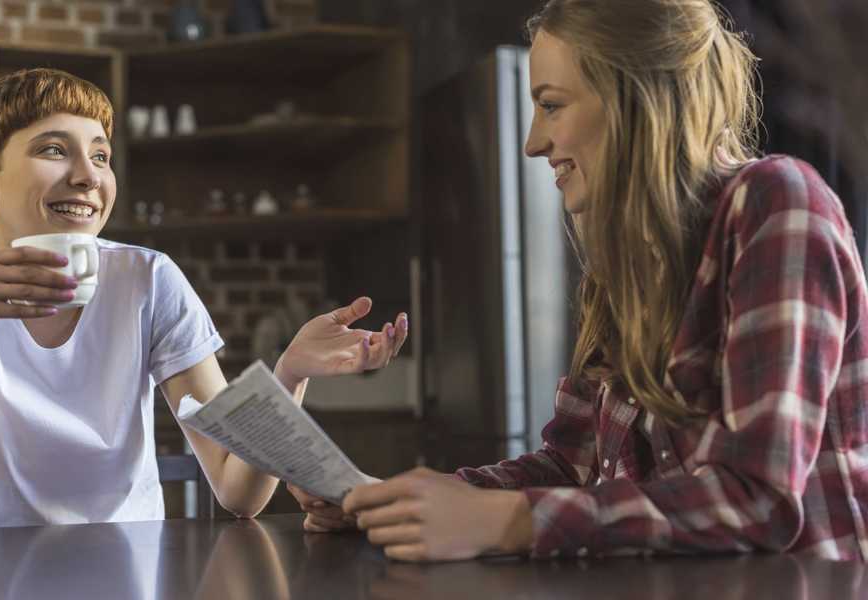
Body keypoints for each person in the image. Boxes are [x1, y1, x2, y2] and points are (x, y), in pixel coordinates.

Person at [290, 0, 868, 562]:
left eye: (551, 105)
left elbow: (756, 499)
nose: (532, 143)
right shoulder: (625, 268)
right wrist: (398, 500)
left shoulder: (778, 206)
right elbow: (570, 466)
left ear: (633, 96)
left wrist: (511, 522)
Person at [0, 68, 408, 538]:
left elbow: (237, 491)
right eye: (54, 150)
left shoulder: (148, 278)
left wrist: (288, 373)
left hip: (129, 569)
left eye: (101, 155)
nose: (89, 176)